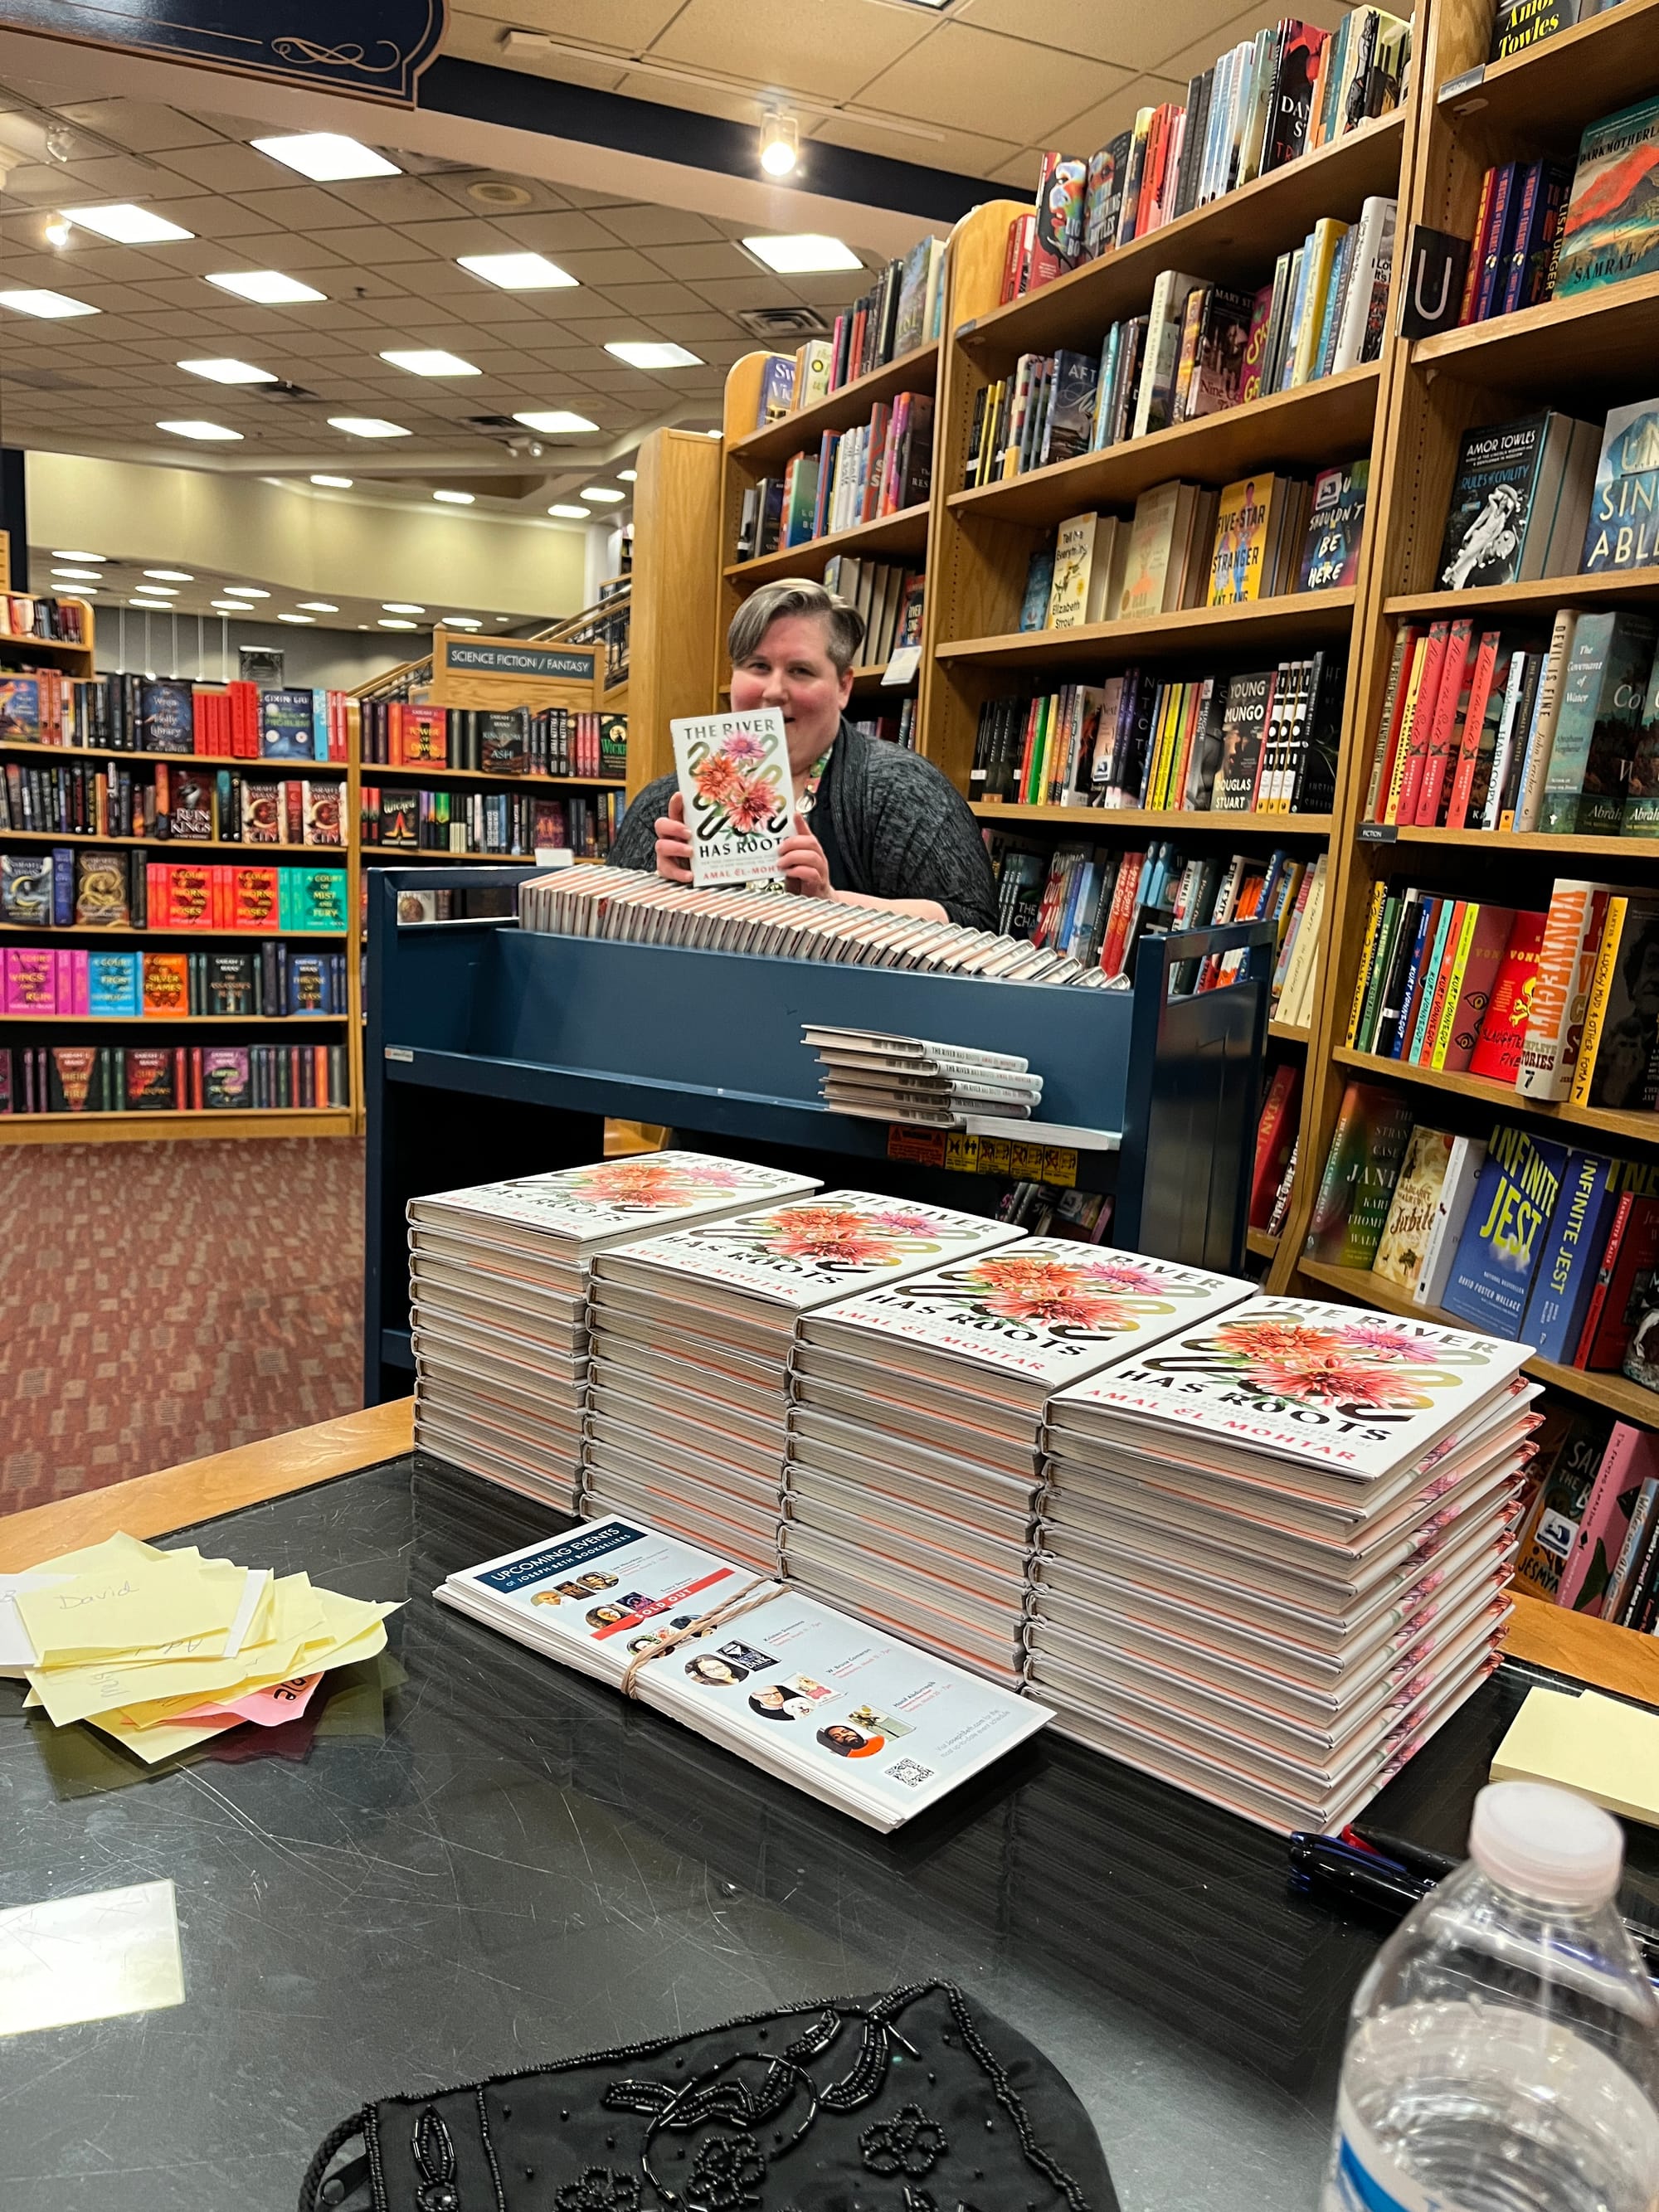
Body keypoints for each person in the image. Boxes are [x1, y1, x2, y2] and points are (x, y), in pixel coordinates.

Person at [608, 578, 998, 930]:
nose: (774, 691)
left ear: (844, 686)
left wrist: (830, 903)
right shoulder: (663, 804)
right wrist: (658, 891)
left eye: (800, 671)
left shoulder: (904, 792)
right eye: (758, 666)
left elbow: (975, 924)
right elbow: (608, 931)